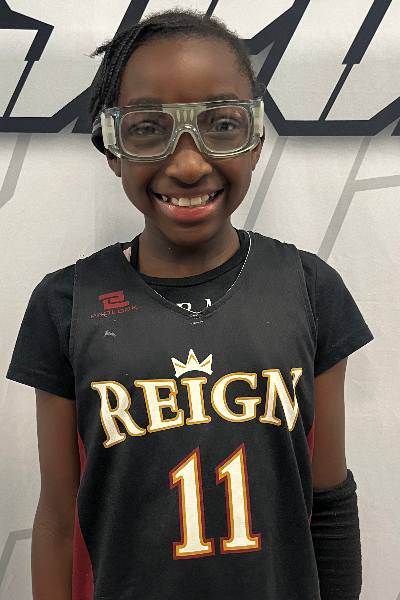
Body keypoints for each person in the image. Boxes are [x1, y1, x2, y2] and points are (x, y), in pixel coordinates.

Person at [7, 10, 373, 600]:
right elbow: (56, 518)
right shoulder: (65, 304)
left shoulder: (310, 288)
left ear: (256, 140)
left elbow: (327, 501)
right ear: (112, 149)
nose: (187, 164)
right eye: (147, 129)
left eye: (222, 125)